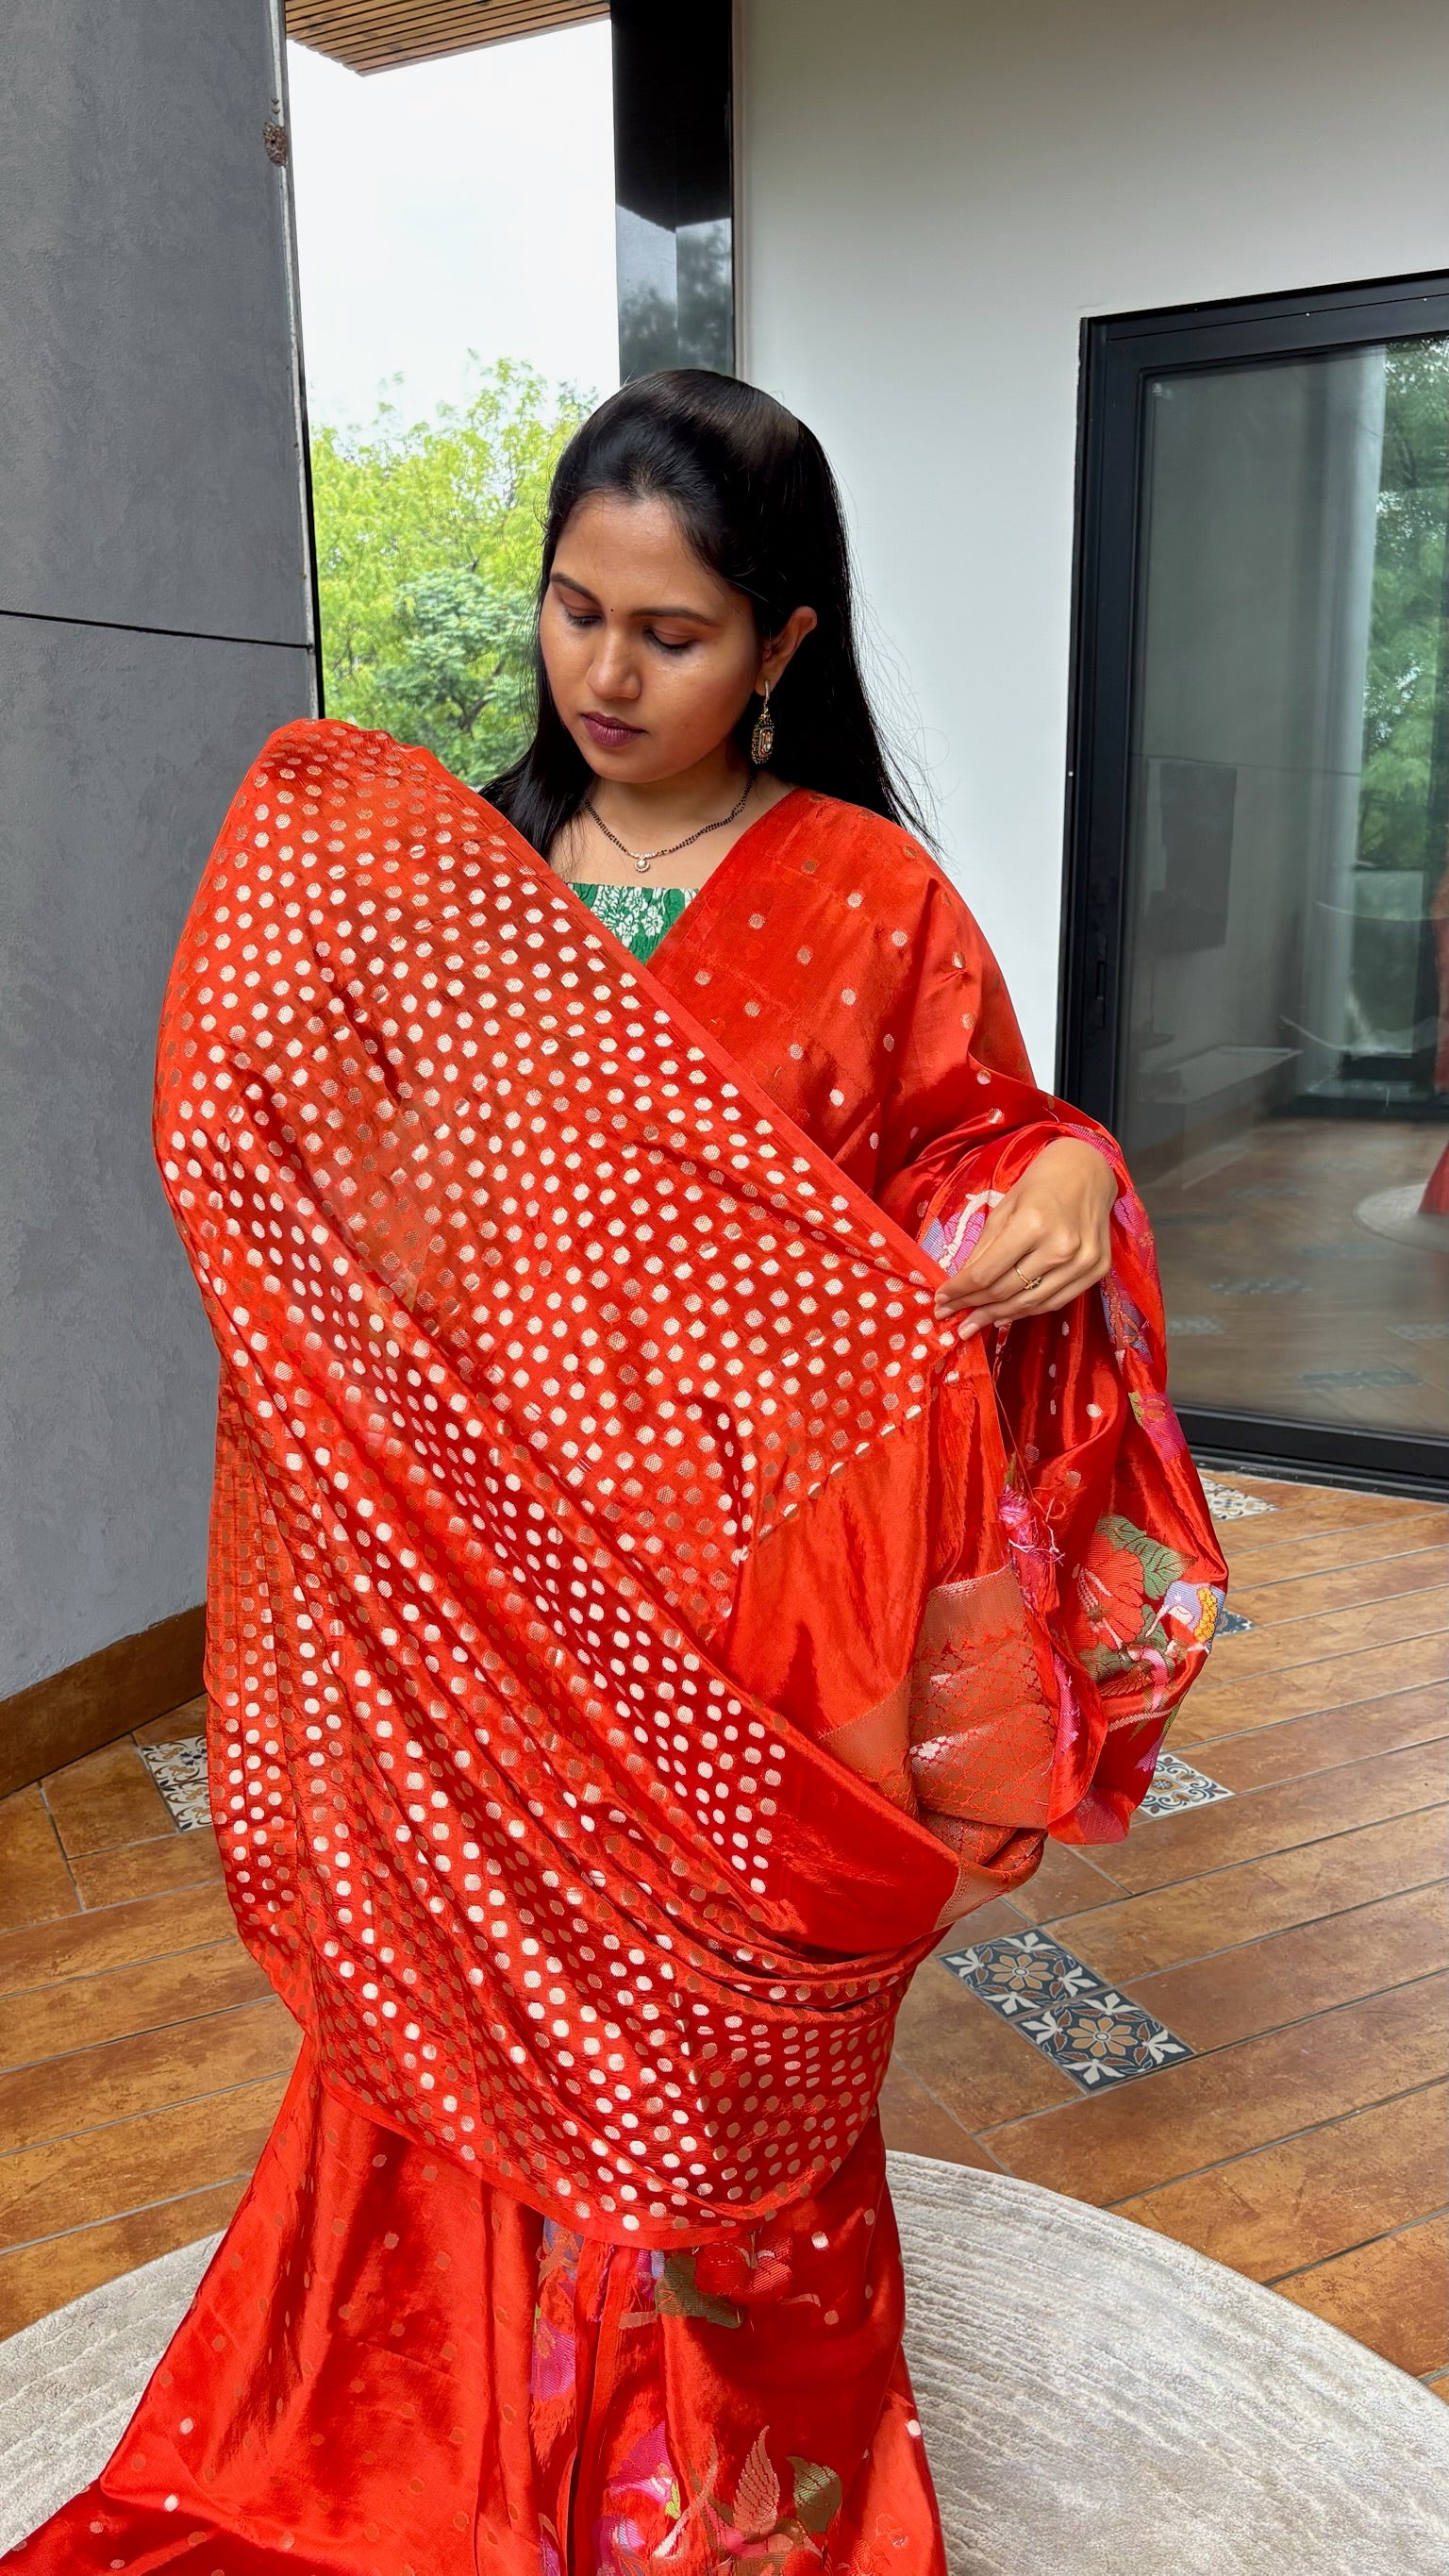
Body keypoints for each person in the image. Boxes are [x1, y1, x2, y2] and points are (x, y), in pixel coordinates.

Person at [12, 374, 1224, 2576]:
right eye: (576, 610)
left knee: (719, 2110)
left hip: (751, 1633)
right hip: (482, 1610)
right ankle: (440, 2443)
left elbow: (966, 1140)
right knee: (449, 2066)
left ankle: (720, 2503)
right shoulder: (455, 885)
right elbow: (348, 1215)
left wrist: (1062, 1169)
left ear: (786, 644)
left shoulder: (867, 895)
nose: (605, 670)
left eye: (670, 631)